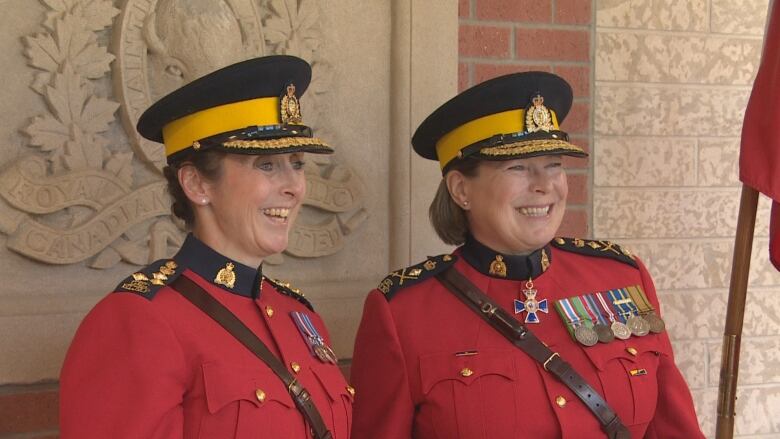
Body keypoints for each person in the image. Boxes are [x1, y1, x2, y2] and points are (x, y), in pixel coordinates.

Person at [349, 72, 704, 438]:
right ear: (460, 189)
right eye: (518, 167)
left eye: (554, 165)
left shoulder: (622, 278)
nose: (543, 185)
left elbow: (674, 429)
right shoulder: (403, 314)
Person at [60, 56, 353, 439]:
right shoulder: (138, 320)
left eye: (297, 164)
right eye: (266, 165)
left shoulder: (300, 316)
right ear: (197, 184)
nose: (294, 186)